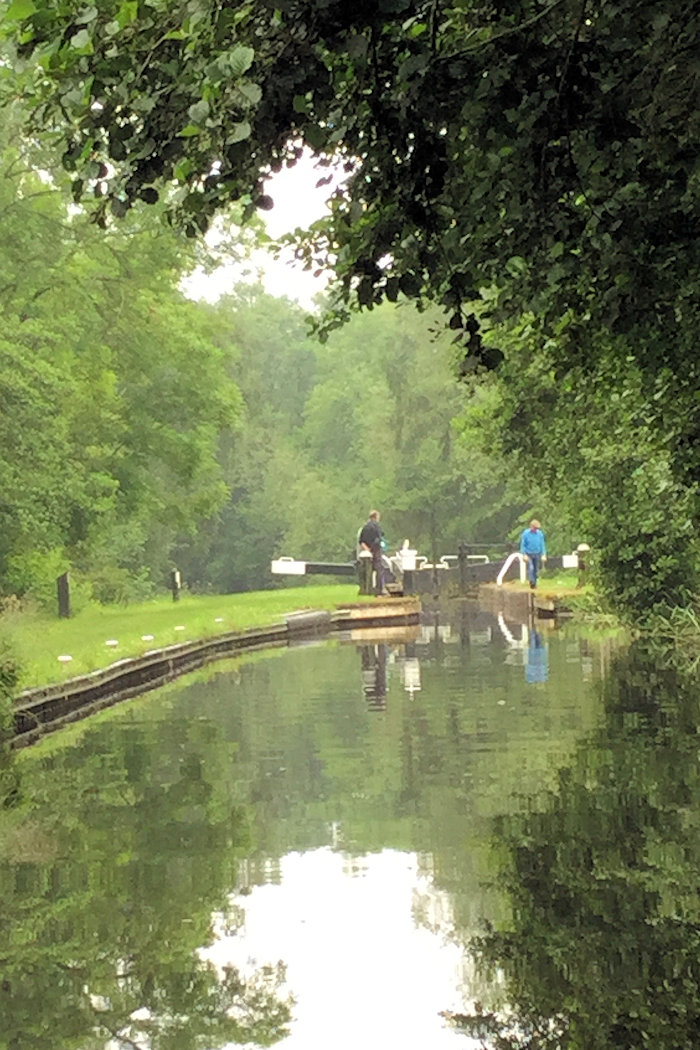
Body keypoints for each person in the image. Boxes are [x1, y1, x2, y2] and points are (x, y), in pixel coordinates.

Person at [358, 509, 387, 595]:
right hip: (376, 550)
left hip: (367, 551)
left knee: (368, 571)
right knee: (379, 569)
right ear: (376, 517)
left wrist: (368, 550)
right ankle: (380, 589)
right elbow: (379, 537)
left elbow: (361, 541)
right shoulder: (376, 526)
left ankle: (366, 589)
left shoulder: (365, 527)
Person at [519, 518, 547, 589]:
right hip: (529, 554)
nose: (536, 529)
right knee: (531, 568)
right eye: (535, 528)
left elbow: (542, 544)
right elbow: (523, 545)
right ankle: (532, 582)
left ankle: (535, 582)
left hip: (537, 553)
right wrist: (524, 554)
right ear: (531, 526)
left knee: (536, 569)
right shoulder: (526, 533)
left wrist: (543, 554)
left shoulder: (540, 534)